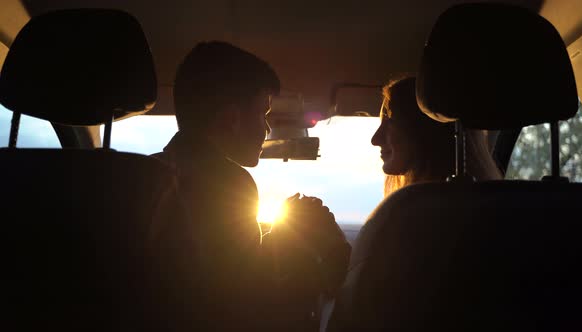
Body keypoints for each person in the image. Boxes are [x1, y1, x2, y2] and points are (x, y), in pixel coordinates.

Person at [154, 41, 350, 332]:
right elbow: (247, 301)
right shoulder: (227, 180)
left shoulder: (150, 171)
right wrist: (303, 232)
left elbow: (215, 267)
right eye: (263, 113)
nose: (268, 128)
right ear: (232, 120)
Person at [371, 76, 502, 196]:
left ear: (421, 129)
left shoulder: (415, 211)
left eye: (390, 121)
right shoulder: (496, 201)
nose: (375, 139)